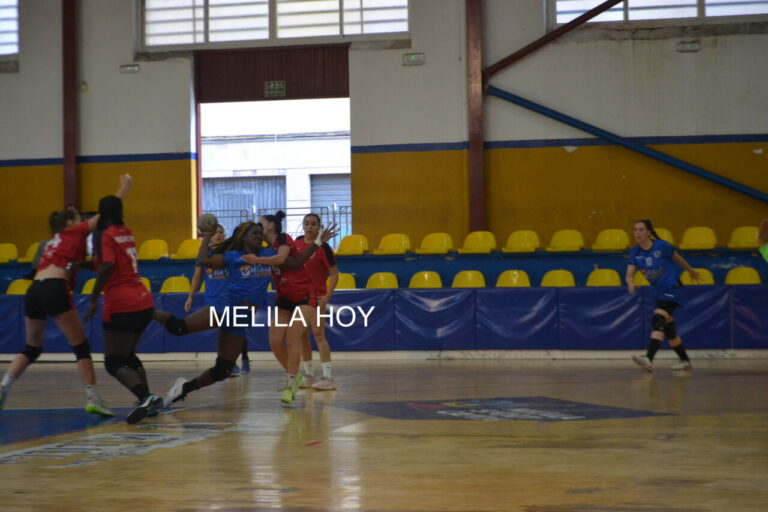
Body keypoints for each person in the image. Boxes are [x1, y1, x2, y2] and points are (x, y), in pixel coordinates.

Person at [0, 175, 132, 414]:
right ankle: (93, 398)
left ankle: (3, 387)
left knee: (32, 347)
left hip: (34, 290)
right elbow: (104, 215)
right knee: (81, 346)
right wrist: (123, 188)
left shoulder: (53, 241)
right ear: (70, 224)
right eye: (77, 218)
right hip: (54, 287)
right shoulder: (75, 232)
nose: (81, 220)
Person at [162, 221, 275, 407]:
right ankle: (147, 311)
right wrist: (206, 236)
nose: (258, 236)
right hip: (227, 309)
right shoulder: (232, 257)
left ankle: (183, 388)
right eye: (254, 233)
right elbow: (203, 261)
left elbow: (290, 256)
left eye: (259, 233)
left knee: (223, 370)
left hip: (242, 317)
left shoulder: (269, 254)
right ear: (243, 237)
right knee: (178, 327)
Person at [245, 211, 337, 404]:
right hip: (284, 297)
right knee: (275, 341)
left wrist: (257, 260)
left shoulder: (284, 239)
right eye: (307, 223)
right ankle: (298, 376)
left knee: (296, 336)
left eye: (261, 223)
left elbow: (284, 260)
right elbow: (297, 260)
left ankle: (292, 383)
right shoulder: (265, 247)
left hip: (306, 295)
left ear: (269, 225)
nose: (258, 227)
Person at [86, 193, 161, 424]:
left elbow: (107, 266)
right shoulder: (126, 233)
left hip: (121, 303)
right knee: (128, 355)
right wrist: (80, 264)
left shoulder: (106, 235)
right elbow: (110, 263)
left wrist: (92, 297)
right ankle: (147, 403)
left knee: (113, 361)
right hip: (143, 300)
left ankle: (145, 397)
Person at [626, 219, 700, 372]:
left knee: (657, 318)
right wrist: (630, 283)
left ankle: (649, 358)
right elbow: (629, 274)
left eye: (641, 229)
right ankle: (685, 361)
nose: (637, 233)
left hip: (672, 287)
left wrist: (691, 271)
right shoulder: (635, 252)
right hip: (658, 292)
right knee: (669, 329)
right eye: (635, 230)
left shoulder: (661, 246)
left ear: (648, 232)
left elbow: (678, 258)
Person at [294, 213, 339, 391]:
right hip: (299, 297)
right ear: (303, 226)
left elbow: (335, 274)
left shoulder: (324, 248)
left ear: (319, 227)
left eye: (313, 224)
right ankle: (309, 376)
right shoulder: (296, 244)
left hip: (317, 297)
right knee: (301, 335)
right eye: (306, 224)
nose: (310, 227)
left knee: (318, 334)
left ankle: (328, 377)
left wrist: (328, 295)